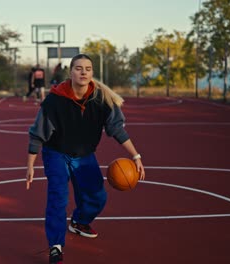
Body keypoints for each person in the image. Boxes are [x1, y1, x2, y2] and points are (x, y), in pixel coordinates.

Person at [25, 54, 145, 264]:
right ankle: (56, 246)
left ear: (92, 73)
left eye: (88, 69)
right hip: (56, 153)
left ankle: (79, 221)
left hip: (84, 155)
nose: (83, 72)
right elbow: (38, 133)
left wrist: (136, 155)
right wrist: (30, 165)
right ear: (70, 72)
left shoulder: (101, 99)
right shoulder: (55, 100)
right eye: (78, 68)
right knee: (58, 198)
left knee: (98, 197)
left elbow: (116, 129)